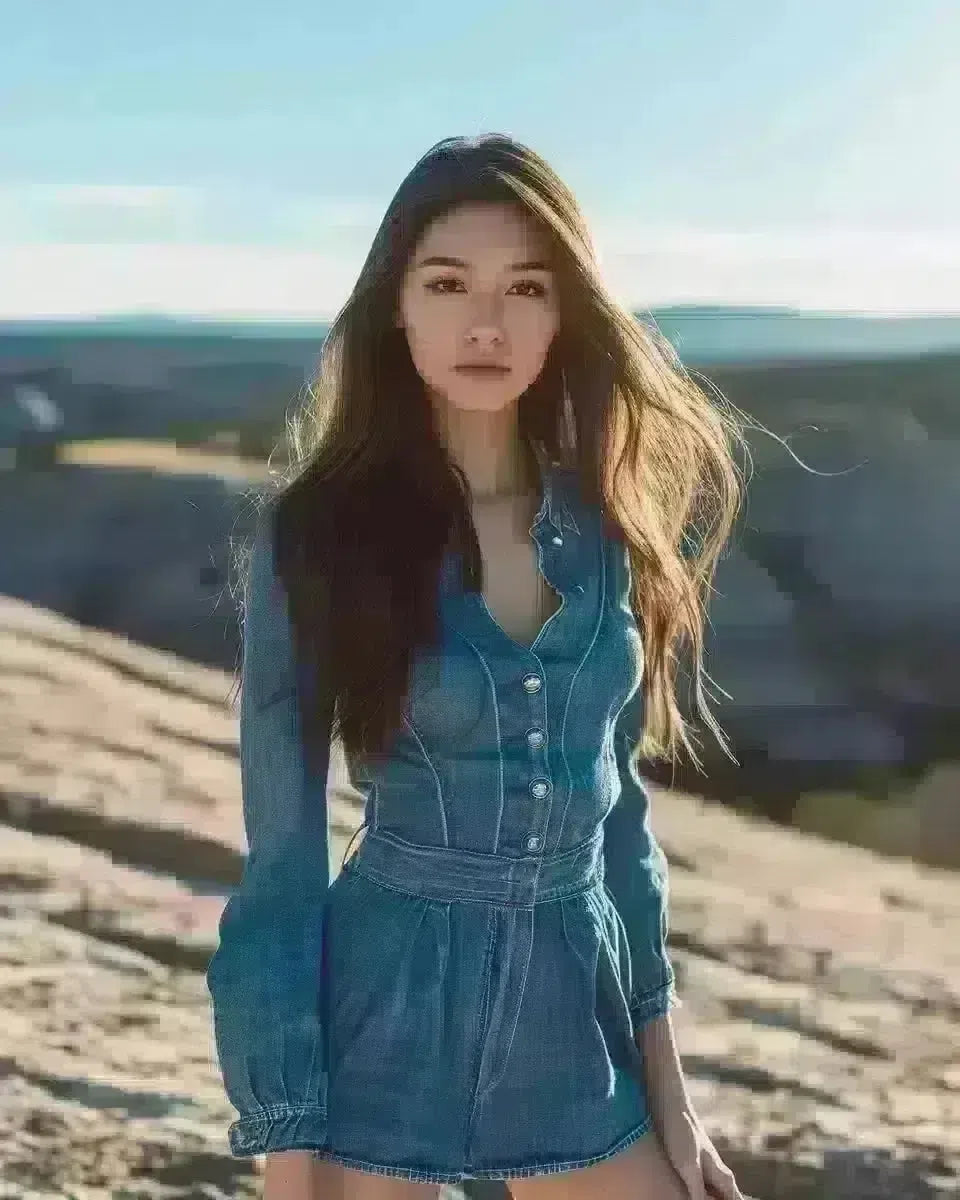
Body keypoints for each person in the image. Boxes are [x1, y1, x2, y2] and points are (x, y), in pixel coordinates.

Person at [206, 133, 746, 1200]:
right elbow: (282, 858)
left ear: (565, 315)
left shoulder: (606, 529)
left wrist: (671, 1096)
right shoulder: (318, 535)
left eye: (526, 288)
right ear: (395, 306)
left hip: (571, 1019)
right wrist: (290, 1148)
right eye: (446, 283)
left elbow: (619, 821)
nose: (486, 324)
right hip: (385, 1016)